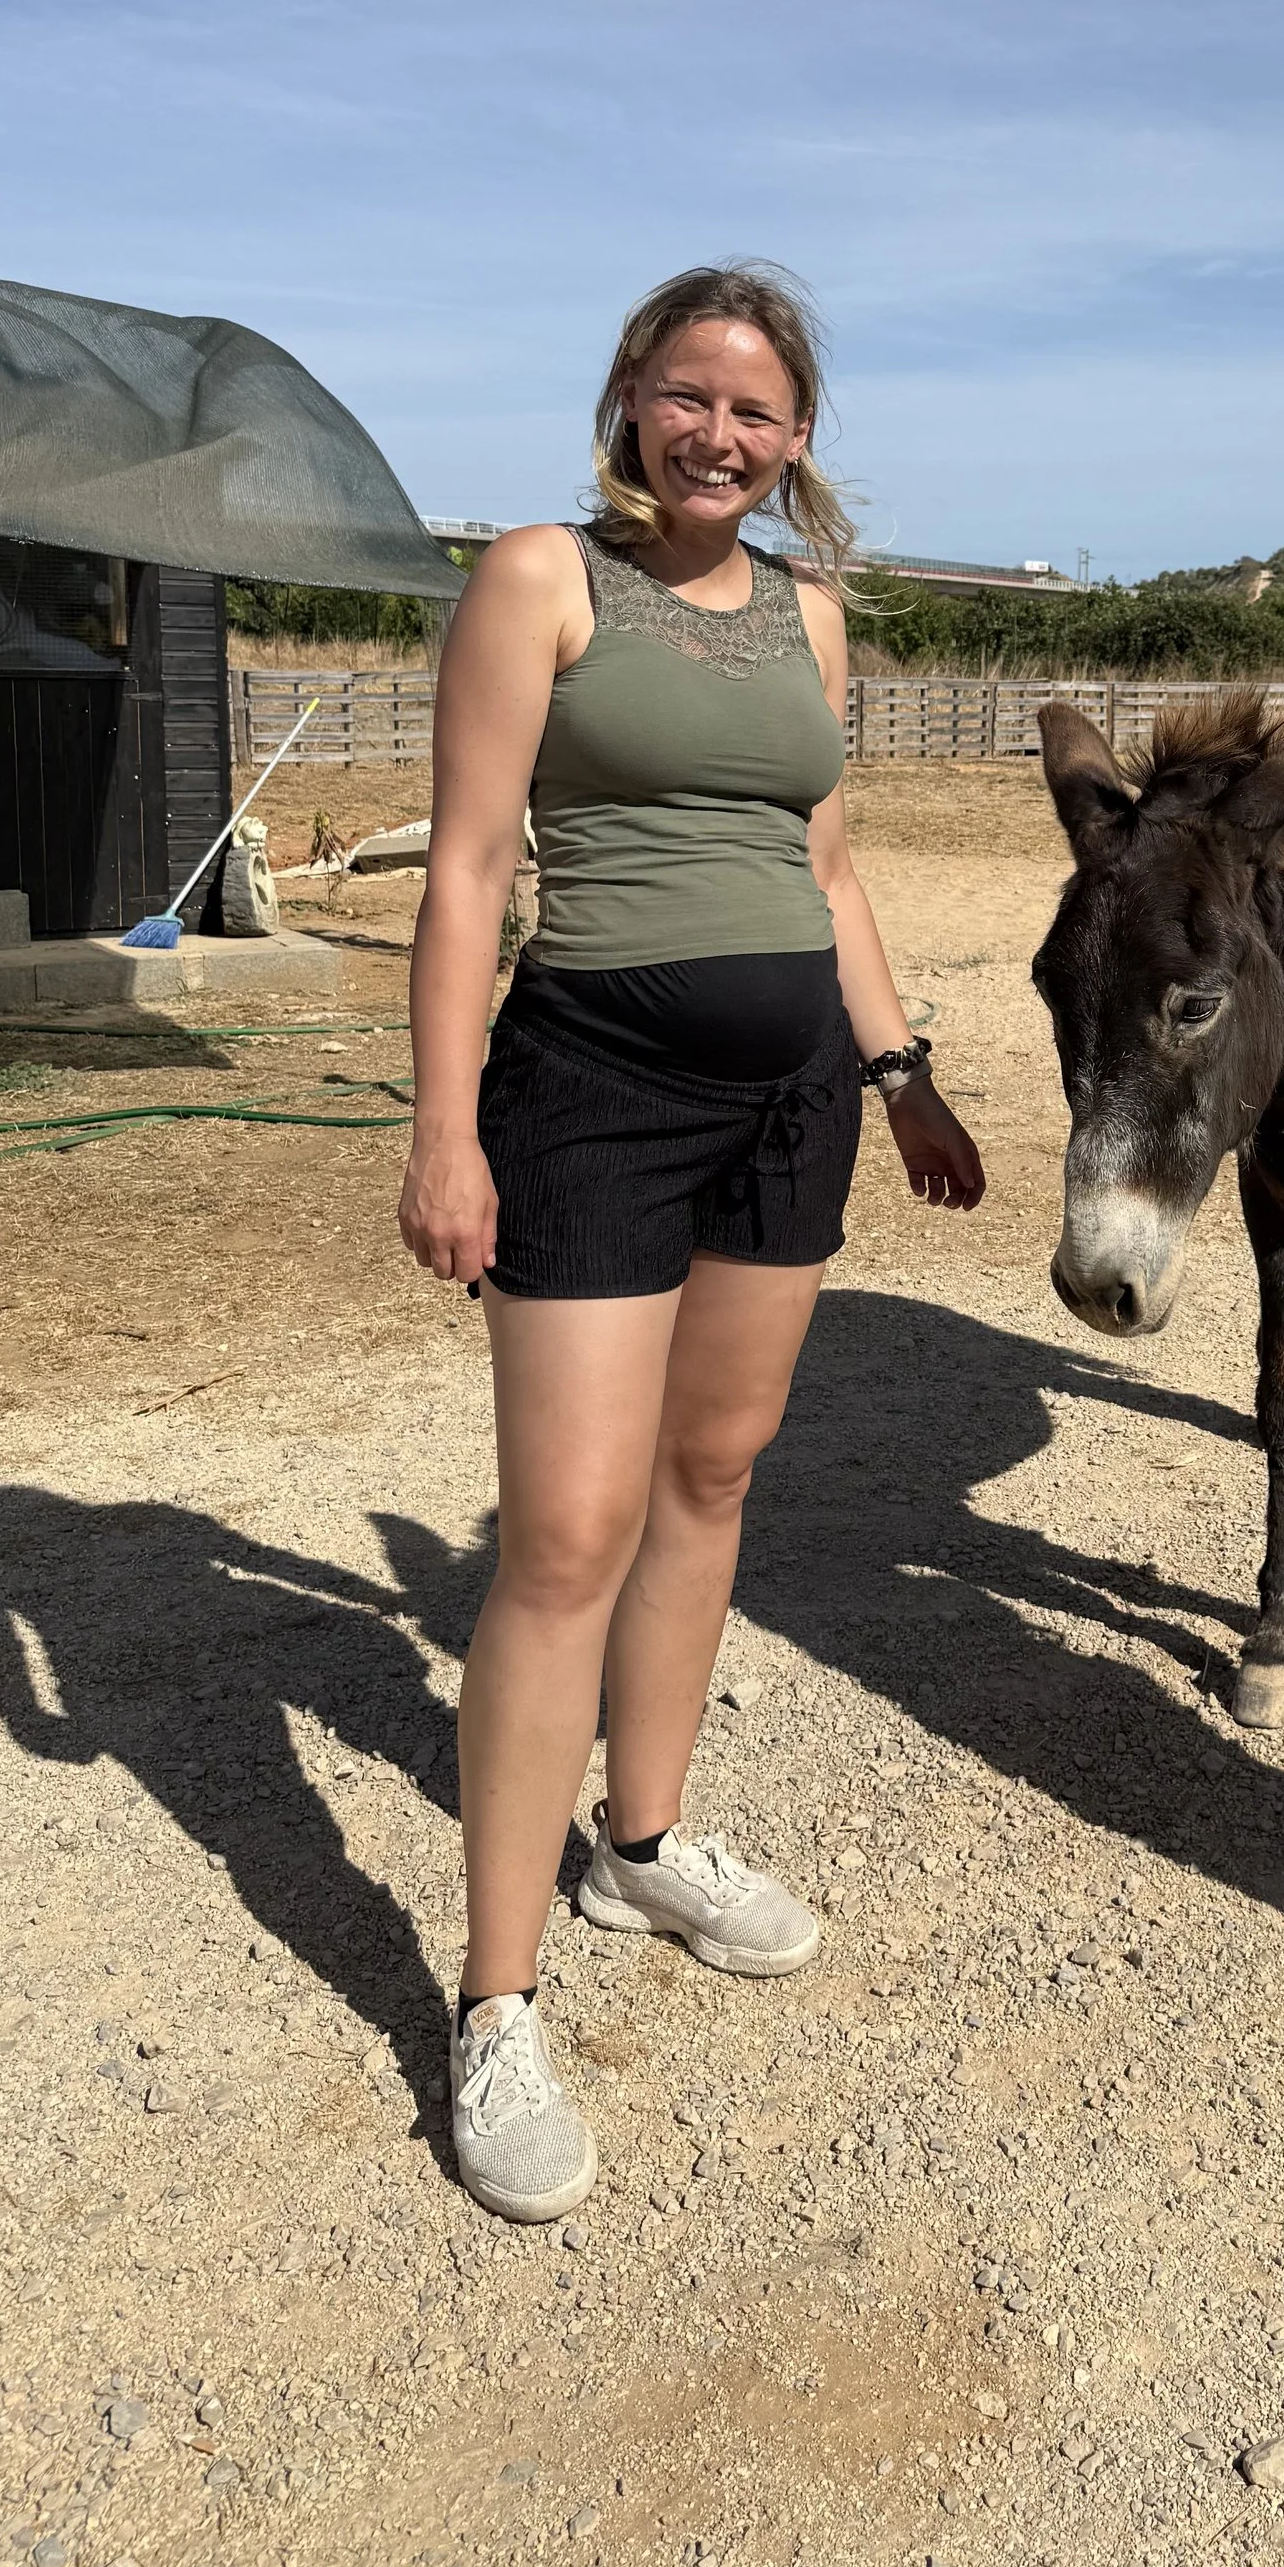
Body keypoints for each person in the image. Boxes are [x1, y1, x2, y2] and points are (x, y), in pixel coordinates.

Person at [398, 262, 986, 2224]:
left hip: (793, 1097)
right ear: (627, 405)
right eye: (683, 396)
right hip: (590, 1087)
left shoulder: (815, 617)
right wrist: (445, 1129)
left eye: (753, 409)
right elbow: (473, 866)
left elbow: (822, 868)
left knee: (710, 1476)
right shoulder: (542, 582)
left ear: (798, 437)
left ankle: (640, 1837)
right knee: (562, 1532)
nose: (715, 433)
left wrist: (900, 1072)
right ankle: (494, 2006)